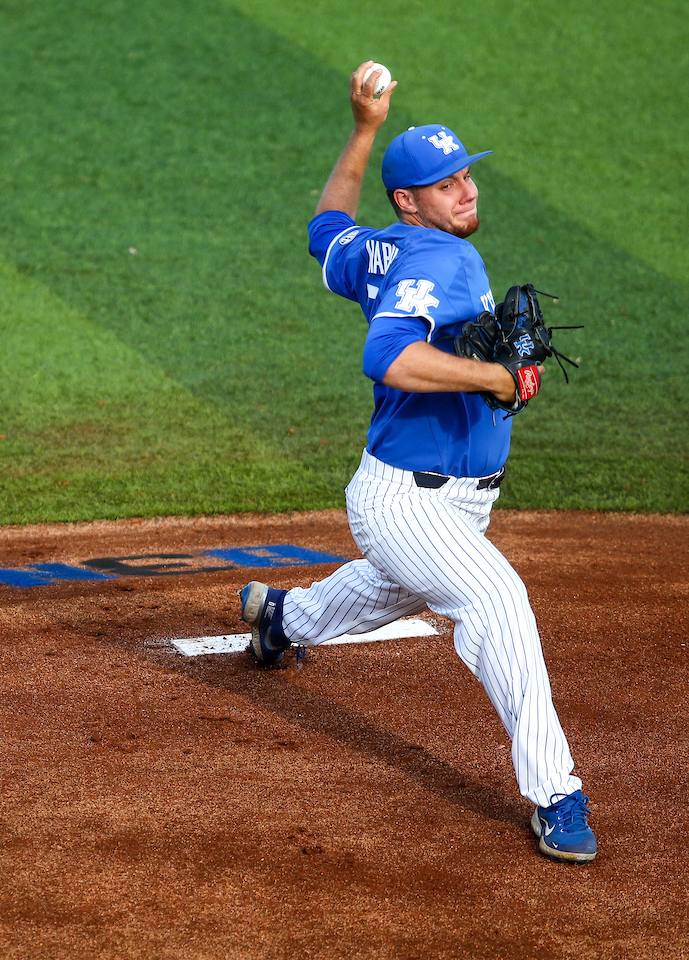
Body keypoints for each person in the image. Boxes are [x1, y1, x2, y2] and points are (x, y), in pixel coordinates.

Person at [237, 63, 596, 863]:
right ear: (411, 201)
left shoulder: (382, 248)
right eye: (444, 183)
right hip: (408, 501)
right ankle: (557, 794)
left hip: (437, 502)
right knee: (499, 600)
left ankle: (280, 621)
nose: (465, 190)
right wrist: (496, 376)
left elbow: (324, 229)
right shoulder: (443, 264)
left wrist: (364, 130)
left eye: (466, 173)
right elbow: (390, 356)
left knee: (390, 585)